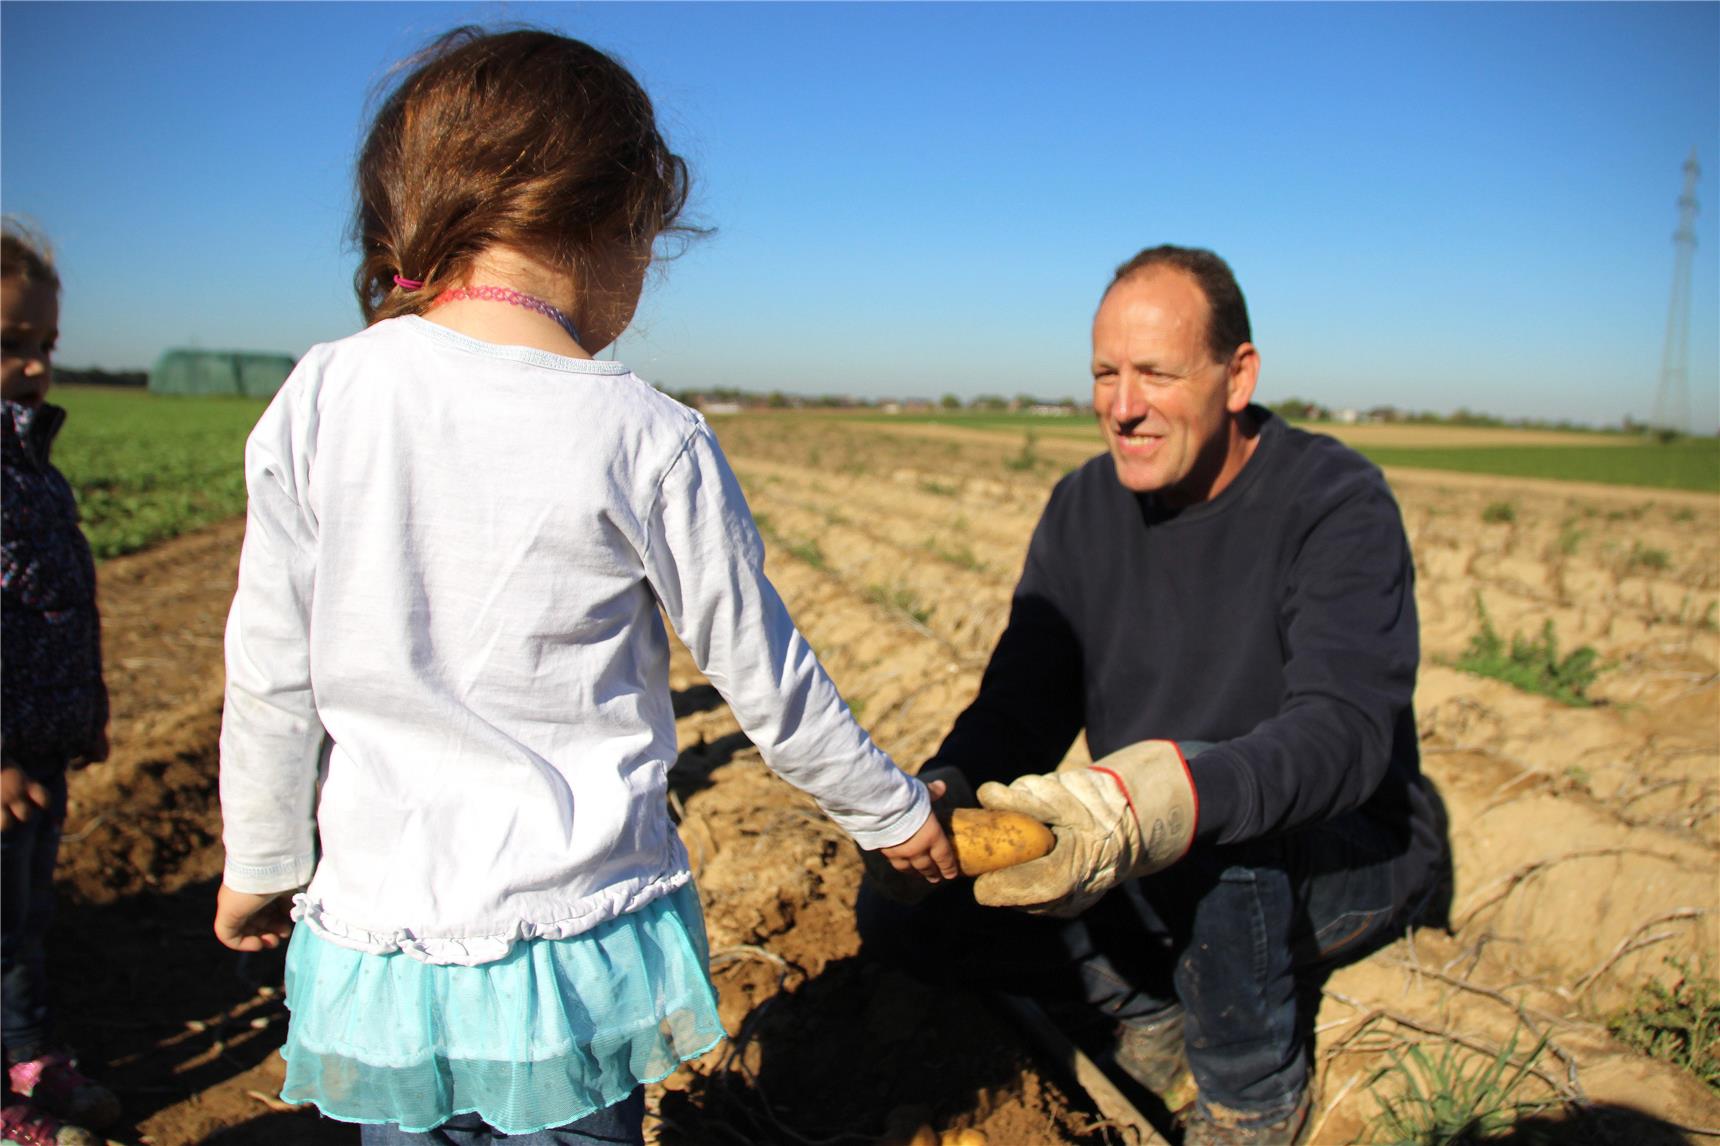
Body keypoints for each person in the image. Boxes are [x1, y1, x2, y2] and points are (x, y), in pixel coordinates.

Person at [212, 28, 955, 1146]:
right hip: (569, 944)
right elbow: (770, 684)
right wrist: (890, 812)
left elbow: (271, 665)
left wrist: (265, 857)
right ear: (615, 219)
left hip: (385, 940)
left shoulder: (324, 391)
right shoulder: (645, 433)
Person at [861, 246, 1448, 1146]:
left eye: (1156, 374)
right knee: (908, 910)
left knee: (1215, 824)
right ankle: (1151, 1010)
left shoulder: (1334, 502)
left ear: (1238, 376)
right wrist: (943, 791)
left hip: (1337, 849)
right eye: (1106, 374)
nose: (1124, 406)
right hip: (1147, 844)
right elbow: (1022, 706)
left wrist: (1165, 796)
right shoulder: (1082, 508)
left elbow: (1344, 735)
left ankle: (1251, 1098)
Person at [2, 221, 123, 1146]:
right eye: (13, 344)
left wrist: (84, 713)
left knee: (25, 915)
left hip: (40, 742)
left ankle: (27, 1056)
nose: (39, 366)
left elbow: (58, 603)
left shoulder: (30, 463)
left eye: (45, 343)